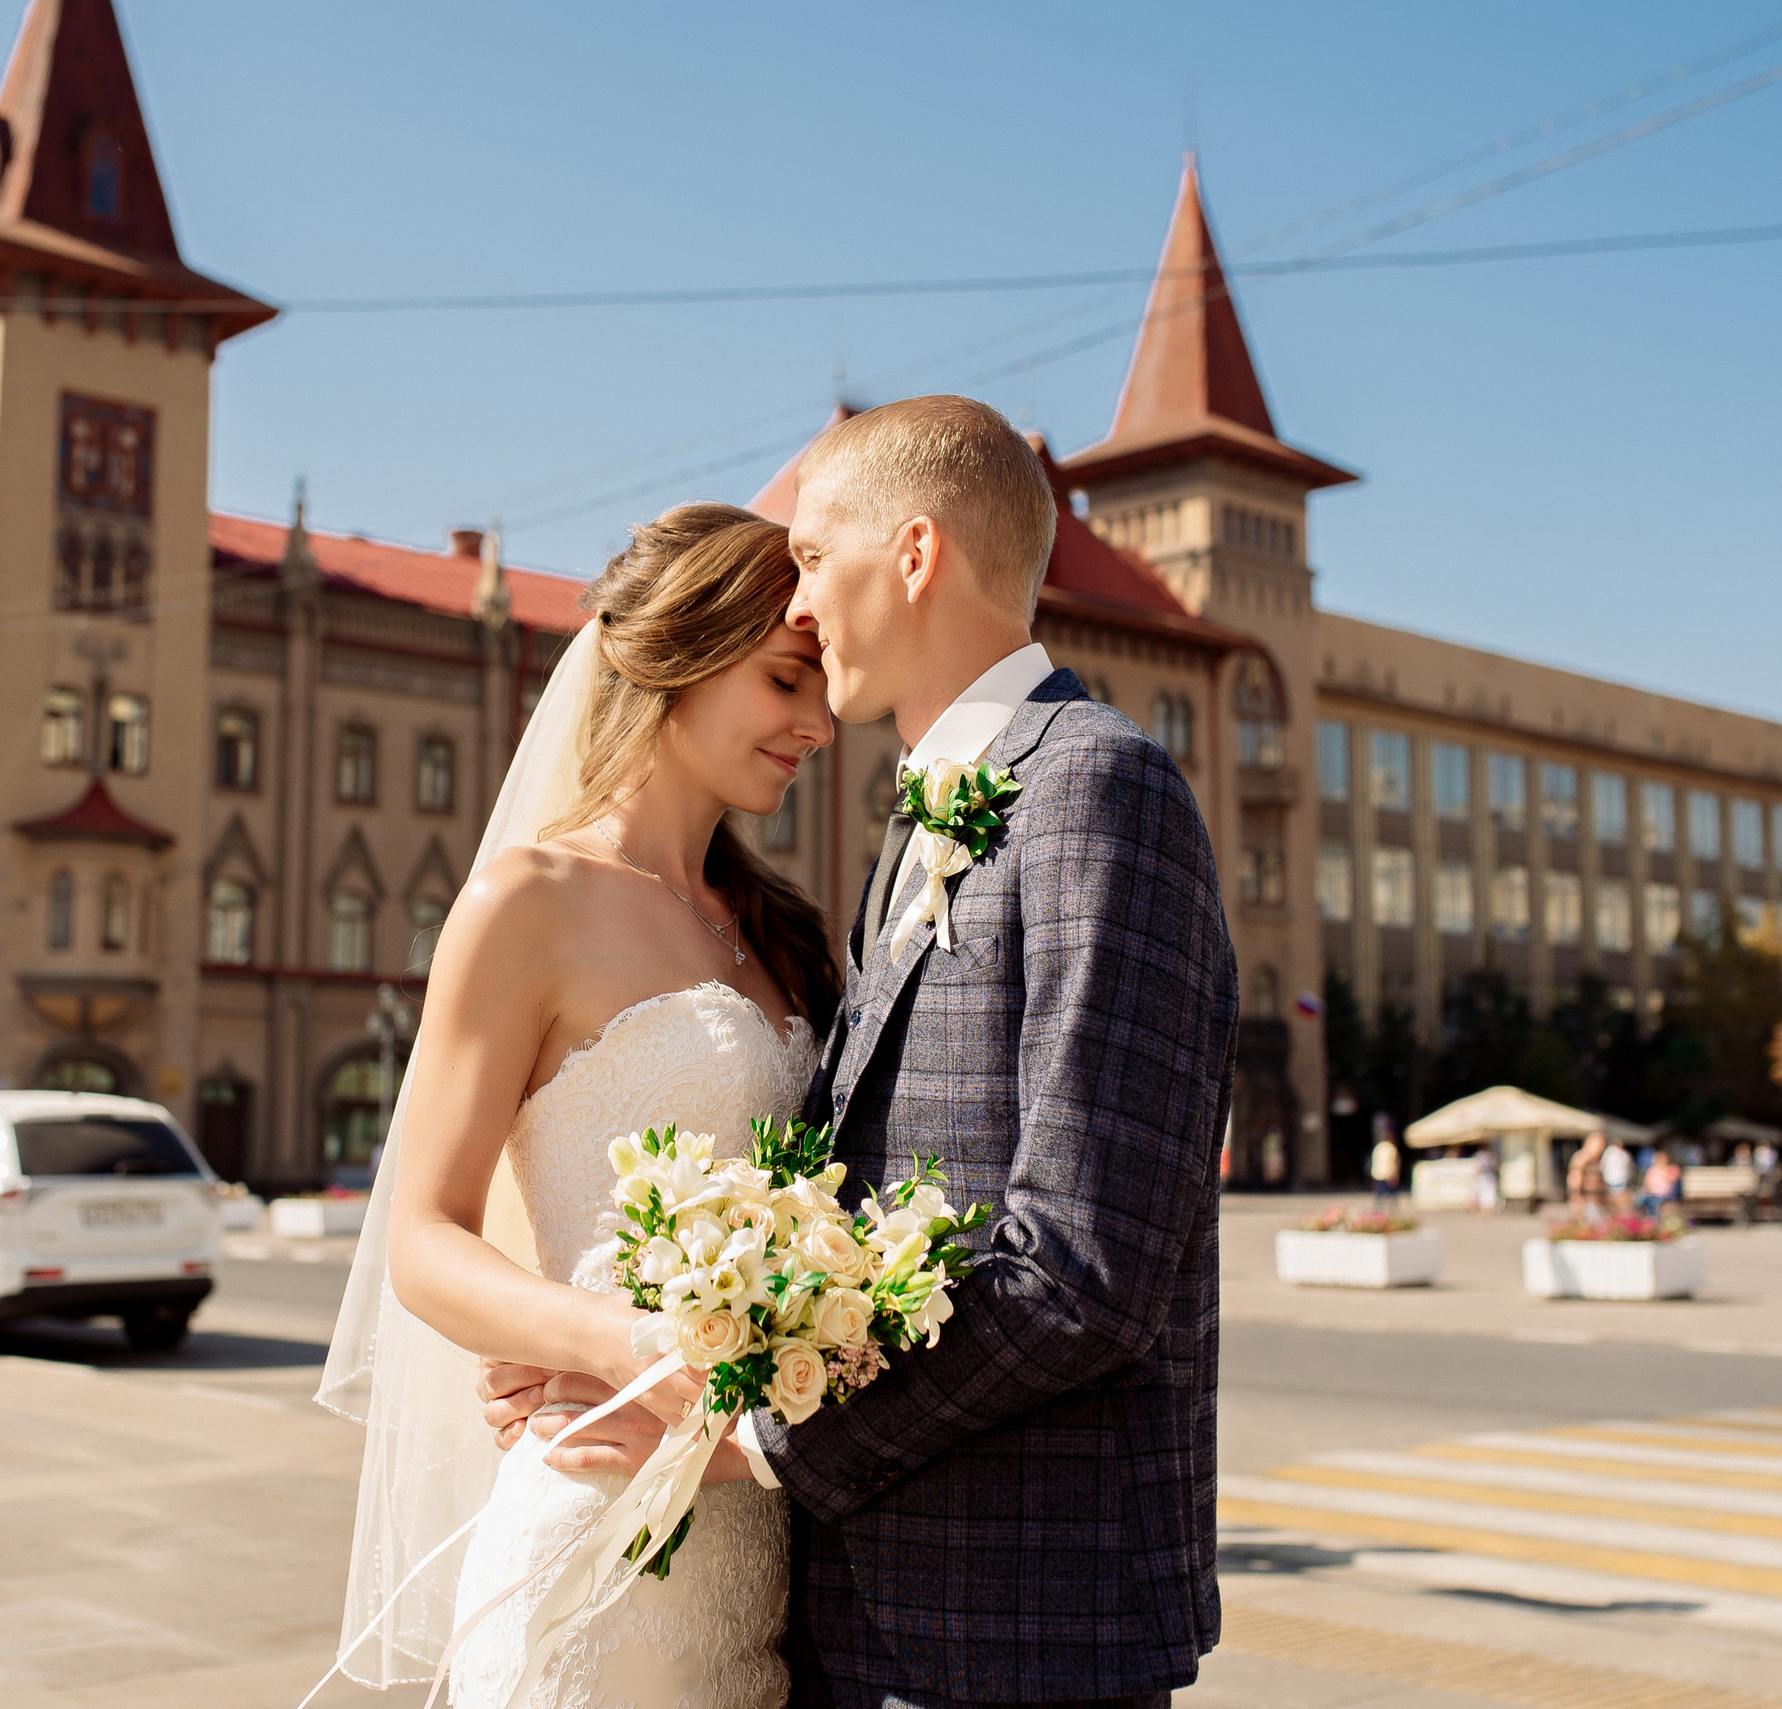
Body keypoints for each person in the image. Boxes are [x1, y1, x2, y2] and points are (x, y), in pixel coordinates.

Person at [475, 397, 1236, 1708]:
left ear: (918, 554)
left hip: (1014, 1629)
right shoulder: (903, 836)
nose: (801, 605)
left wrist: (740, 1436)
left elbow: (1088, 1271)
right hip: (852, 1615)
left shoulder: (1099, 789)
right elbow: (862, 1209)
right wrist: (648, 1328)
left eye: (815, 561)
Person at [317, 503, 838, 1708]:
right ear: (677, 654)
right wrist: (617, 1343)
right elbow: (425, 1236)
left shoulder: (787, 934)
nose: (816, 725)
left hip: (757, 1539)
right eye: (782, 680)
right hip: (592, 1512)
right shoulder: (528, 902)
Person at [1368, 1119, 1401, 1213]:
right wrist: (1394, 1174)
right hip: (1388, 1173)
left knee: (1379, 1194)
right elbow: (1392, 1161)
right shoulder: (1391, 1148)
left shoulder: (1378, 1147)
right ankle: (1393, 1211)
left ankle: (1377, 1211)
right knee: (1392, 1194)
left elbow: (1373, 1161)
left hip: (1378, 1173)